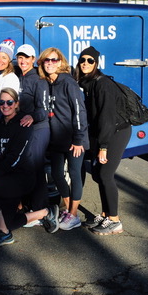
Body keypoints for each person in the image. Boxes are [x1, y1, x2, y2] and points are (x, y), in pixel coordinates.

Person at [0, 88, 60, 247]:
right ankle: (45, 212)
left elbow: (15, 158)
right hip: (5, 176)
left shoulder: (23, 123)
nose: (5, 105)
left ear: (16, 104)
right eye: (1, 102)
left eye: (9, 102)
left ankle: (4, 234)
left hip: (21, 178)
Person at [75, 46, 131, 235]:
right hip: (104, 132)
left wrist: (104, 147)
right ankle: (106, 214)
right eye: (83, 60)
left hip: (116, 132)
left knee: (106, 174)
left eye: (90, 61)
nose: (85, 63)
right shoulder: (87, 83)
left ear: (96, 64)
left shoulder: (102, 84)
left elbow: (106, 118)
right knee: (98, 174)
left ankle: (115, 220)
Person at [37, 47, 89, 231]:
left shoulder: (67, 82)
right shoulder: (50, 83)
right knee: (58, 174)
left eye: (54, 60)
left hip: (74, 139)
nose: (50, 63)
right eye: (46, 60)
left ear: (60, 62)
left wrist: (78, 138)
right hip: (57, 140)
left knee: (74, 175)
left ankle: (74, 215)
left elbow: (79, 111)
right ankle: (68, 209)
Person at [15, 44, 51, 223]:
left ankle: (40, 211)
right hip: (24, 129)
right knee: (25, 169)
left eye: (26, 57)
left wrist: (31, 116)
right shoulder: (18, 76)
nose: (22, 60)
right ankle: (28, 206)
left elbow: (44, 110)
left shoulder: (38, 79)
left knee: (36, 169)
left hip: (38, 129)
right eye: (20, 57)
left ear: (33, 59)